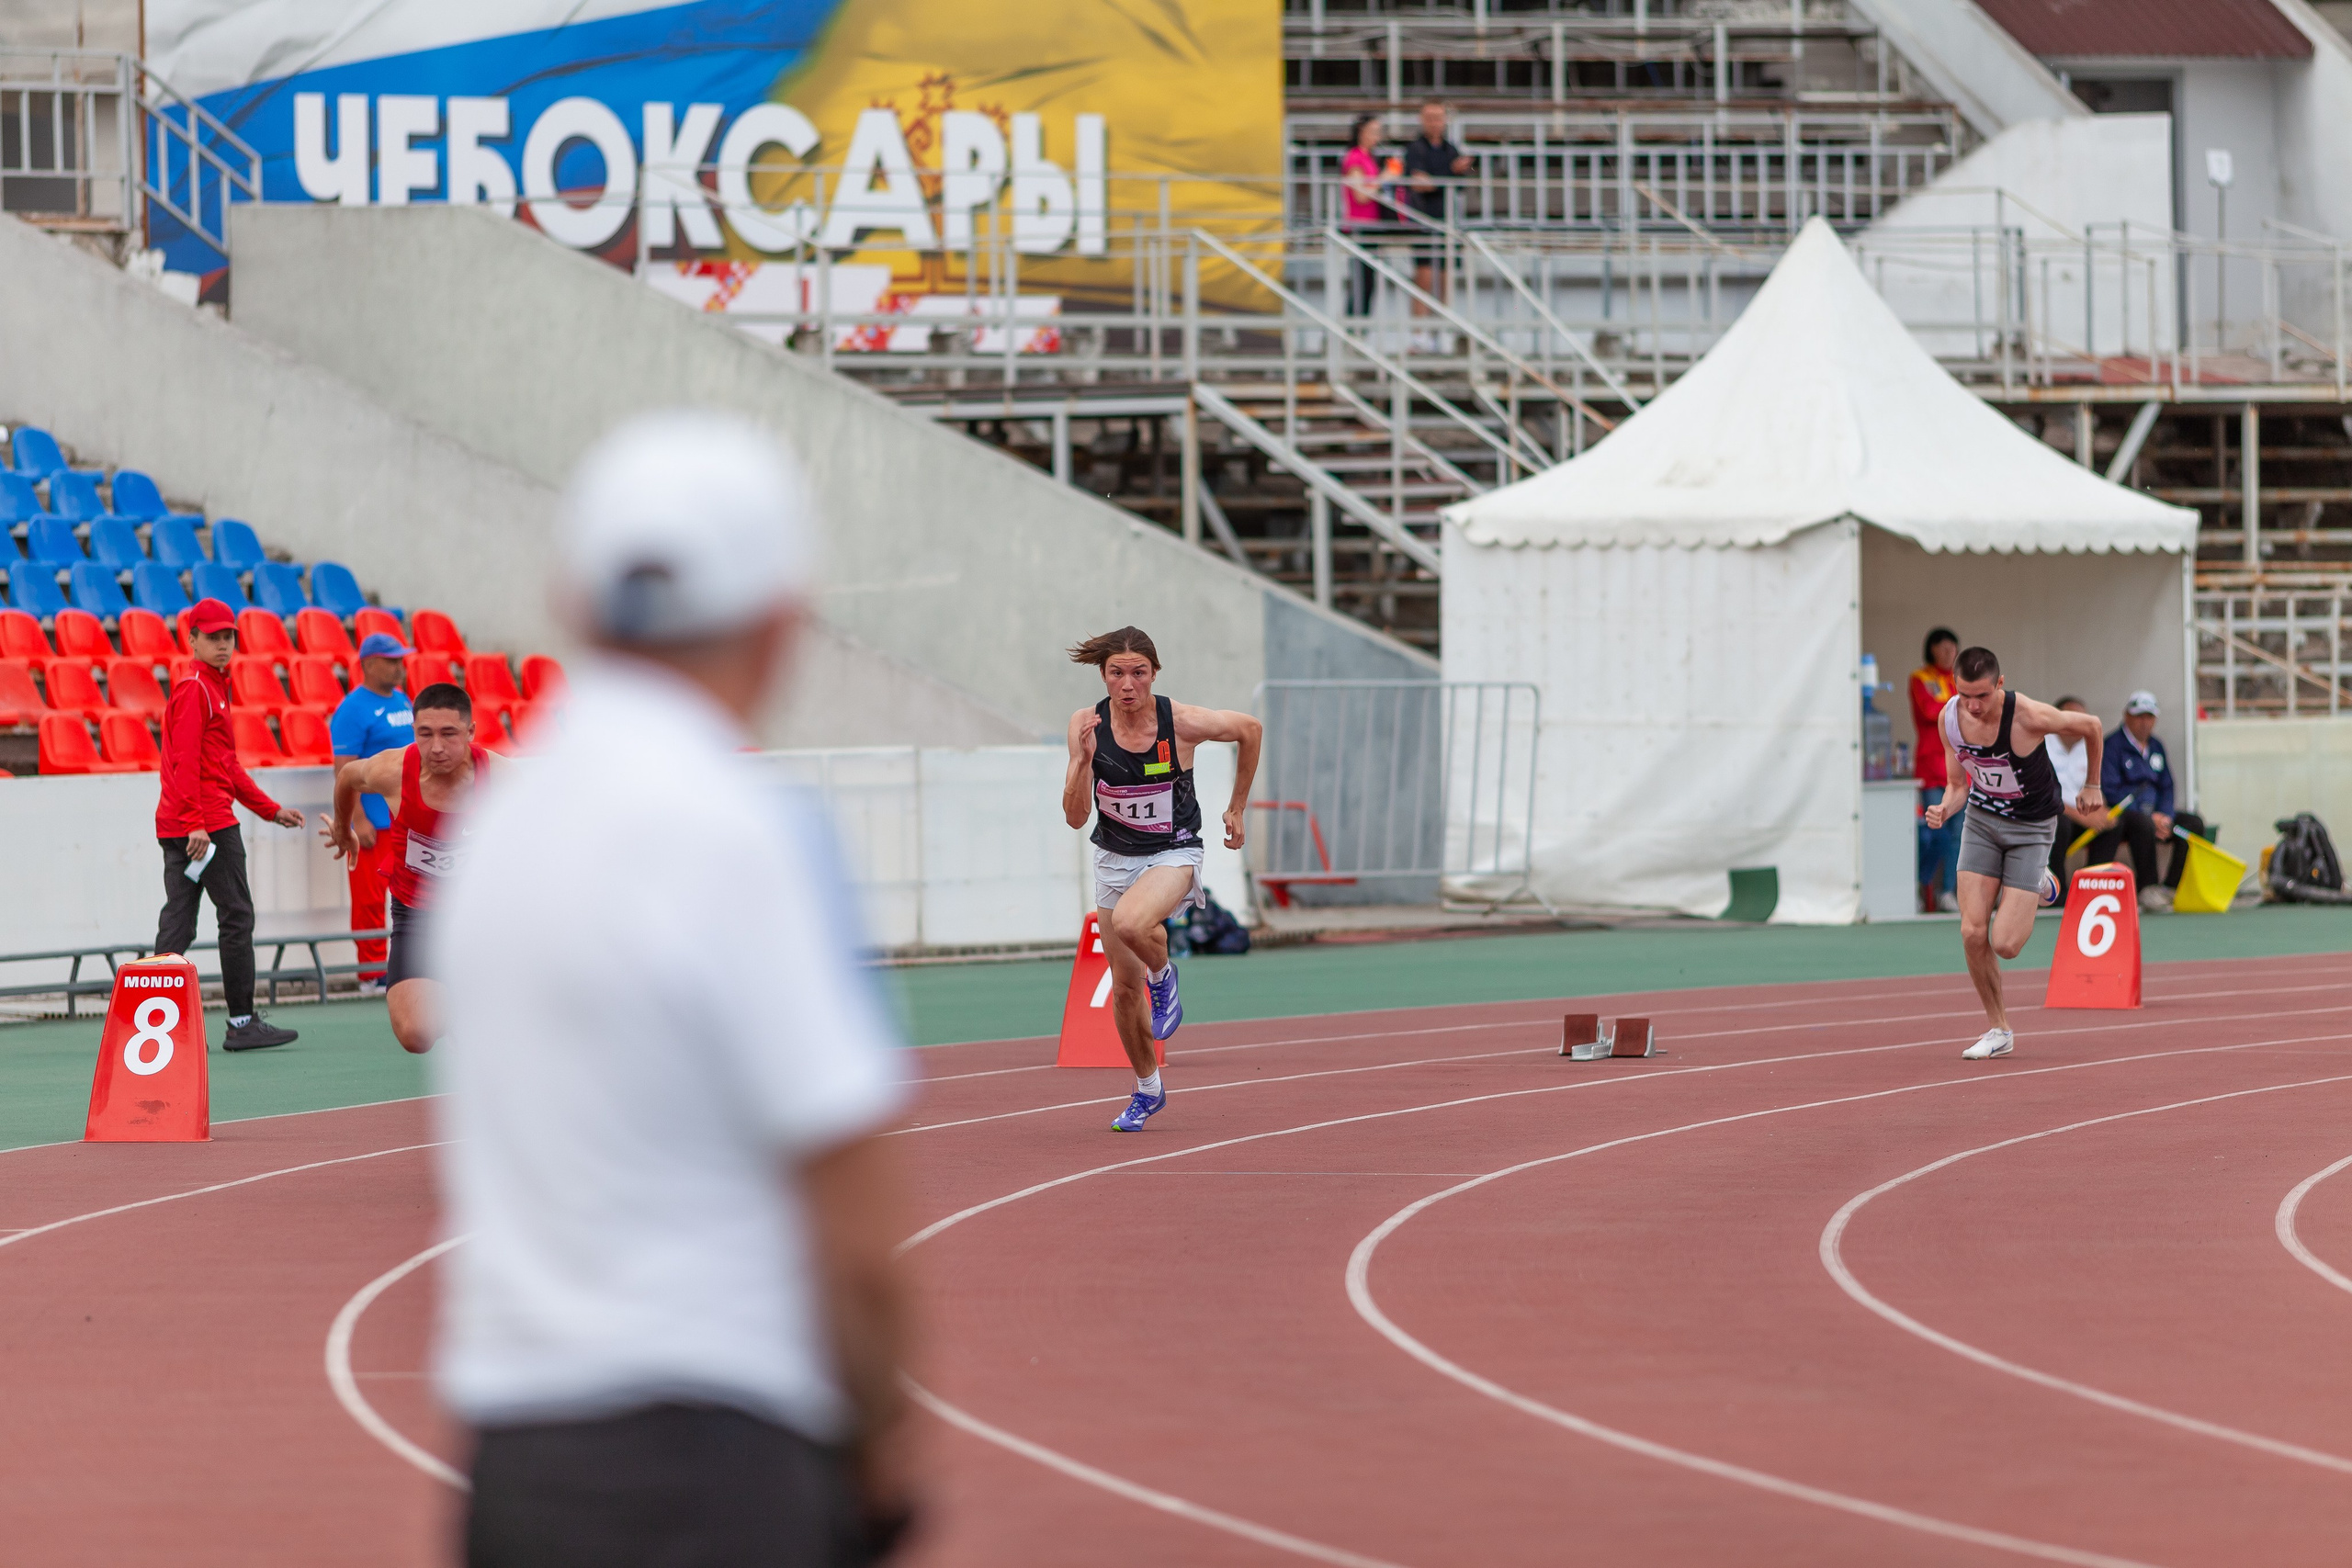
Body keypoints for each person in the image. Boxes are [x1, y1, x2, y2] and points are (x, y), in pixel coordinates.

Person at [430, 412, 917, 1568]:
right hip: (716, 1448)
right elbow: (853, 1211)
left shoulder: (494, 828)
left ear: (571, 600)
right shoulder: (749, 831)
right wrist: (882, 1444)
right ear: (781, 619)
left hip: (514, 1458)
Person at [1063, 626, 1262, 1132]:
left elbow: (1250, 729)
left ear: (1153, 673)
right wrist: (1081, 765)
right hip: (1113, 857)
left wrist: (1237, 806)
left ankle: (1164, 976)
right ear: (1103, 675)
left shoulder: (1183, 722)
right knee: (1124, 991)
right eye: (1117, 673)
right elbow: (1074, 816)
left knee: (1134, 924)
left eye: (1139, 672)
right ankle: (1147, 1088)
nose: (1128, 684)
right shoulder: (1086, 725)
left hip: (1174, 849)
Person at [1925, 647, 2104, 1061]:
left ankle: (2040, 880)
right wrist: (1945, 808)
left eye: (1983, 696)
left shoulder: (2028, 716)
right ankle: (1999, 1028)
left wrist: (2092, 784)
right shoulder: (1949, 718)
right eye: (1965, 694)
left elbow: (2091, 725)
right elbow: (1958, 785)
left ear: (2000, 685)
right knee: (1972, 932)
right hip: (1982, 822)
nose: (1973, 705)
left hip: (2031, 828)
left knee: (2005, 944)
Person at [153, 595, 305, 1051]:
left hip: (188, 822)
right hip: (208, 824)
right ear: (192, 639)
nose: (223, 645)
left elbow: (224, 765)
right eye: (213, 637)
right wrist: (196, 823)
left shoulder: (210, 687)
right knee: (236, 917)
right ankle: (241, 1023)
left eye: (228, 637)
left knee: (179, 923)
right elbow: (184, 762)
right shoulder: (196, 688)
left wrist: (268, 809)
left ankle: (146, 1017)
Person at [326, 683, 485, 1054]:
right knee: (416, 1034)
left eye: (449, 734)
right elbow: (348, 776)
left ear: (470, 732)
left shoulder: (501, 778)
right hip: (416, 912)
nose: (436, 747)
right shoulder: (394, 770)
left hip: (477, 915)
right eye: (424, 734)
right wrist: (342, 828)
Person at [326, 631, 415, 994]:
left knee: (409, 896)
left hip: (404, 817)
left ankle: (402, 967)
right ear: (368, 664)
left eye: (401, 659)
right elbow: (344, 768)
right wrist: (357, 818)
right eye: (392, 660)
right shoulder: (352, 709)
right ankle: (371, 973)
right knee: (368, 898)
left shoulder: (403, 700)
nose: (400, 666)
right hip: (374, 821)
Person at [2088, 689, 2206, 911]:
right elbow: (2111, 790)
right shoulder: (2112, 746)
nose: (2145, 723)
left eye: (2149, 717)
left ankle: (2171, 887)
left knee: (2193, 823)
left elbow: (2167, 785)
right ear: (2127, 716)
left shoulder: (2157, 746)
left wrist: (2165, 816)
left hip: (2157, 813)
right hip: (2127, 815)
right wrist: (2148, 816)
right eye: (2139, 716)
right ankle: (2148, 887)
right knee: (2141, 824)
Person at [1907, 627, 1962, 913]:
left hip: (1960, 769)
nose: (1948, 653)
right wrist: (1957, 706)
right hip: (1931, 767)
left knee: (1958, 834)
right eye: (1943, 647)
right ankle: (1922, 883)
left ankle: (1948, 892)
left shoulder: (1960, 679)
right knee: (1934, 833)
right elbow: (1930, 711)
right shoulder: (1922, 678)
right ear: (1932, 649)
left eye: (1952, 648)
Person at [1401, 100, 1471, 321]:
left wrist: (1443, 177)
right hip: (1422, 219)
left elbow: (1460, 185)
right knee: (1424, 277)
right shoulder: (1415, 149)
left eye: (1438, 118)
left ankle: (1441, 329)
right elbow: (1419, 183)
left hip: (1446, 220)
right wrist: (1449, 172)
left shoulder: (1450, 149)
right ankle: (1420, 333)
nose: (1434, 123)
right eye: (1430, 118)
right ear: (1422, 120)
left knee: (1445, 276)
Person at [2042, 695, 2104, 889]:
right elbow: (2044, 796)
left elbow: (2095, 787)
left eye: (2083, 718)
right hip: (2052, 813)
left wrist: (2101, 811)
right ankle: (2056, 890)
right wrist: (2080, 815)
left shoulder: (2089, 747)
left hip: (2081, 815)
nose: (2080, 723)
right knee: (2061, 824)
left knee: (2112, 825)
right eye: (2074, 717)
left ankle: (2093, 886)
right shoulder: (2041, 744)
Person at [1340, 112, 1386, 317]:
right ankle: (1353, 329)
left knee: (1368, 284)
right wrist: (1386, 178)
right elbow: (1361, 195)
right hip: (1360, 226)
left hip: (1371, 225)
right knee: (1361, 283)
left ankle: (1359, 329)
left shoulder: (1369, 157)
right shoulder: (1355, 157)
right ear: (1361, 132)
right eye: (1373, 131)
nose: (1377, 136)